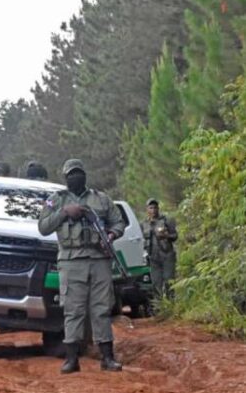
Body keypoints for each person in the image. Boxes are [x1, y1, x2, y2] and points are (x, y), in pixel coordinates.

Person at [38, 159, 125, 374]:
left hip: (99, 260)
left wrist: (111, 235)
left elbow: (118, 222)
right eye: (71, 174)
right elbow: (43, 227)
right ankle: (71, 359)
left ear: (84, 175)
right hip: (71, 261)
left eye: (79, 173)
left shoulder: (101, 199)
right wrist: (65, 212)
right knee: (73, 310)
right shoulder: (56, 200)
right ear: (65, 178)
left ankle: (107, 357)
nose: (76, 177)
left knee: (101, 309)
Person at [141, 198, 177, 298]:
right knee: (156, 283)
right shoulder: (144, 224)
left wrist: (166, 236)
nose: (153, 210)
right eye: (151, 208)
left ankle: (171, 304)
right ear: (147, 209)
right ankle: (159, 307)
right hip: (153, 257)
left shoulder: (166, 220)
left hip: (167, 255)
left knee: (169, 281)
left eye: (155, 208)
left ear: (158, 209)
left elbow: (175, 236)